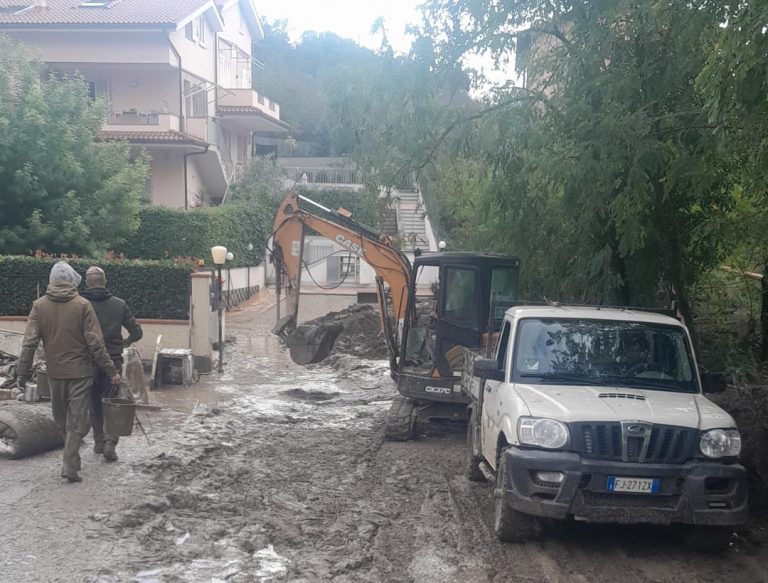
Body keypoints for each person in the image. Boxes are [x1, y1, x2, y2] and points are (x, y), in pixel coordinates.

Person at [17, 262, 120, 483]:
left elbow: (29, 343)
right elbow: (96, 343)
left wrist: (21, 374)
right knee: (77, 421)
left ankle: (70, 462)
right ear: (72, 280)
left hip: (55, 373)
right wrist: (111, 370)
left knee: (63, 419)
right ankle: (70, 463)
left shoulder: (39, 306)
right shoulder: (82, 305)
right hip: (81, 373)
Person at [82, 266, 143, 462]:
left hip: (87, 361)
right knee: (111, 402)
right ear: (105, 281)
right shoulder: (119, 304)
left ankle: (99, 442)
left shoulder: (79, 304)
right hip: (113, 361)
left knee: (94, 402)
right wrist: (125, 342)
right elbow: (137, 332)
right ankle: (111, 442)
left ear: (87, 283)